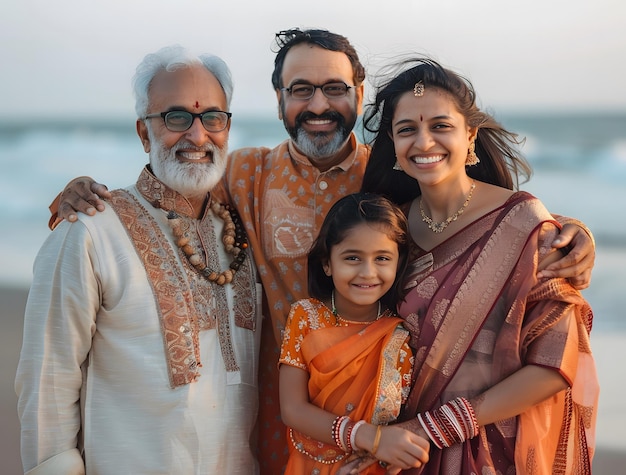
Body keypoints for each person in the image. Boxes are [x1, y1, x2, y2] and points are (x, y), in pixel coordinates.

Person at [44, 29, 597, 474]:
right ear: (280, 99)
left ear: (358, 95)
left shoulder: (391, 182)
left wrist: (568, 232)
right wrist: (78, 196)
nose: (318, 105)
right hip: (276, 413)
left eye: (334, 89)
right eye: (300, 89)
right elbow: (173, 185)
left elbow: (473, 222)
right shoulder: (245, 175)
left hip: (387, 422)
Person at [15, 45, 262, 474]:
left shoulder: (243, 232)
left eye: (212, 118)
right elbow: (47, 382)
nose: (197, 136)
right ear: (144, 133)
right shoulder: (89, 231)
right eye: (176, 117)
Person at [359, 56, 599, 474]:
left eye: (440, 126)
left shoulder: (523, 224)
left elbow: (555, 363)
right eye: (407, 130)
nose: (424, 142)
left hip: (490, 452)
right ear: (393, 146)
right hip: (404, 451)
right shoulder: (390, 227)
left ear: (470, 134)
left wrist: (438, 427)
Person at [278, 193, 429, 474]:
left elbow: (400, 420)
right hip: (310, 465)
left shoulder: (401, 333)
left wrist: (384, 453)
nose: (367, 272)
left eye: (382, 258)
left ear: (399, 263)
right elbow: (292, 409)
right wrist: (370, 438)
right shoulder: (306, 317)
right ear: (327, 263)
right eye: (352, 258)